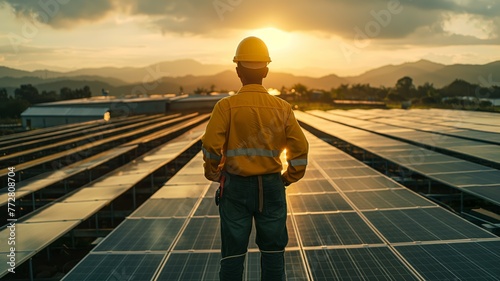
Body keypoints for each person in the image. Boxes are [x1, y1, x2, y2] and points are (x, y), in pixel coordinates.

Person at [201, 36, 309, 281]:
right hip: (271, 187)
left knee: (232, 254)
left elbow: (210, 146)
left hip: (235, 187)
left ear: (238, 71)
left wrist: (214, 173)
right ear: (266, 70)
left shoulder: (225, 107)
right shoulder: (282, 108)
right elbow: (300, 148)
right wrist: (288, 178)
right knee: (272, 253)